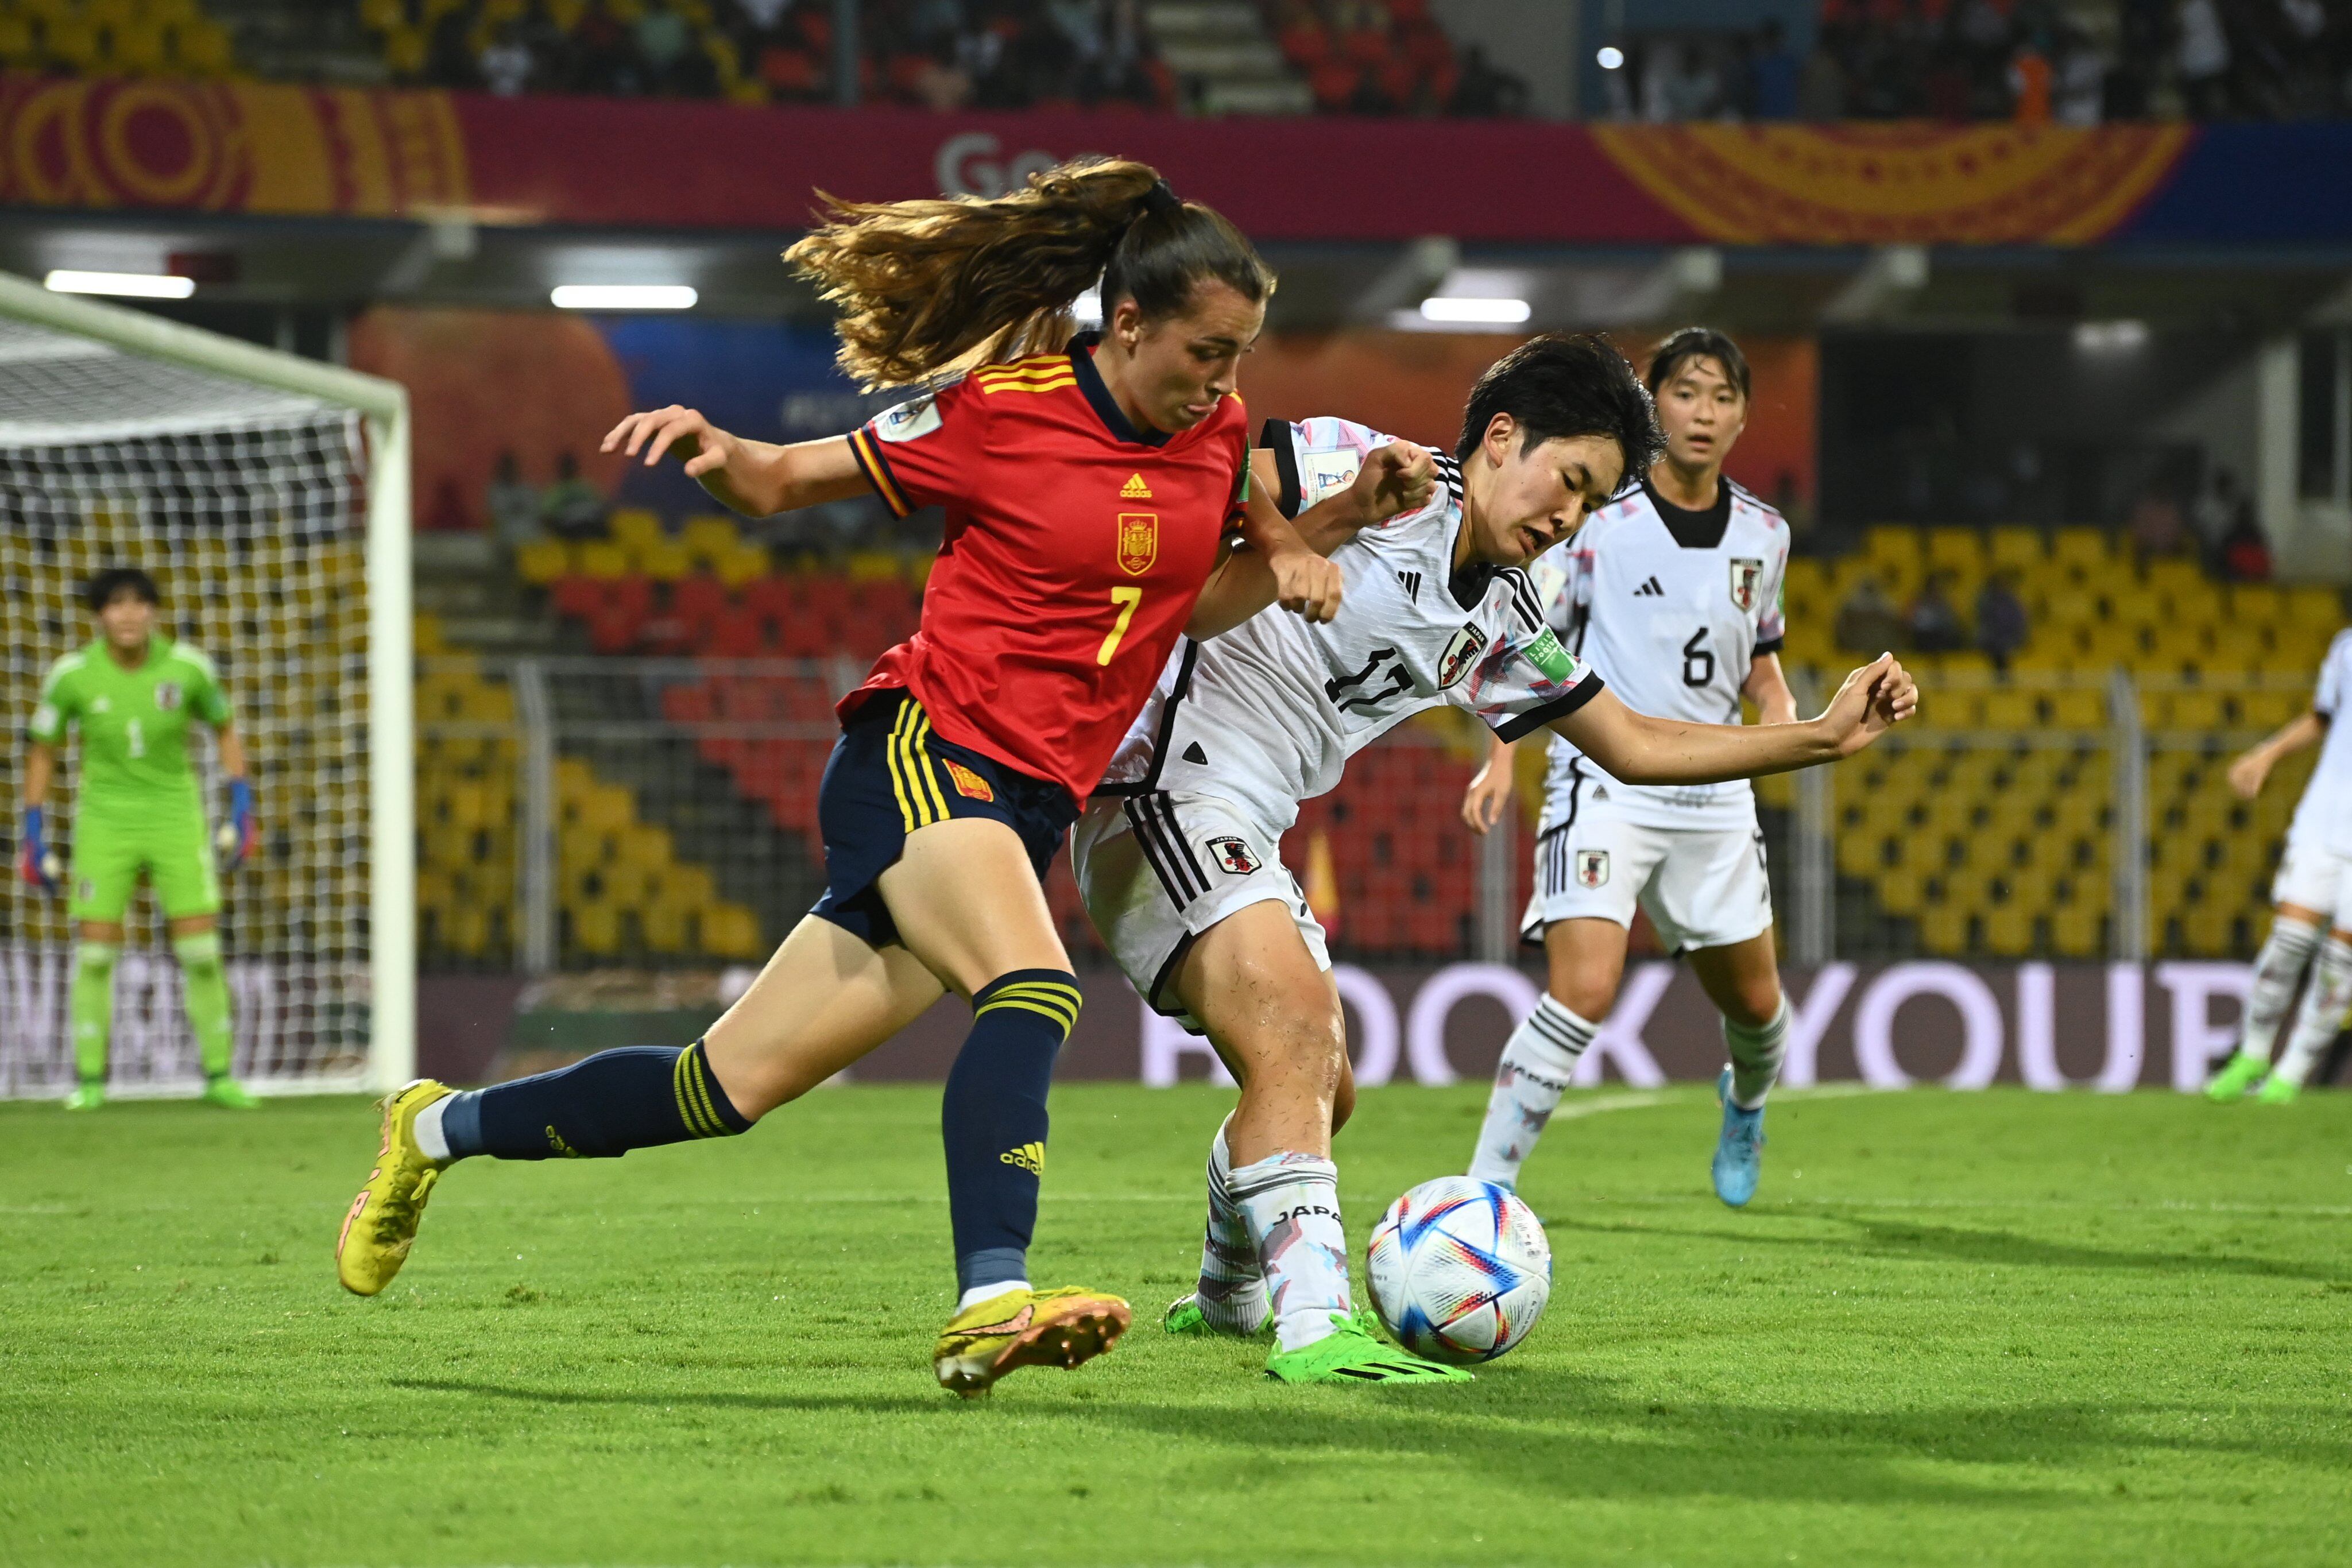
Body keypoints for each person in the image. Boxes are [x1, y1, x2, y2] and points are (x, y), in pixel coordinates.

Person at [331, 158, 1347, 1399]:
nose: (1225, 381)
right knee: (1029, 986)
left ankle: (430, 1128)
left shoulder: (1216, 435)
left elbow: (1182, 602)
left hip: (1022, 805)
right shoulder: (999, 415)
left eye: (1241, 354)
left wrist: (1313, 538)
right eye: (1207, 349)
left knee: (721, 1087)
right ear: (1126, 323)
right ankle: (989, 1302)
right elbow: (781, 479)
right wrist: (715, 449)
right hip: (926, 752)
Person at [1077, 334, 1914, 1383]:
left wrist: (1820, 738)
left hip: (1247, 812)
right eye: (1569, 480)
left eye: (1593, 502)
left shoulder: (1510, 622)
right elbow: (1229, 452)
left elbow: (1637, 743)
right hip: (1158, 780)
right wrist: (1293, 536)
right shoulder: (1378, 469)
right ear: (1502, 437)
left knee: (1322, 1088)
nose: (1569, 516)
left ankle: (1228, 1296)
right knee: (1294, 1028)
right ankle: (1315, 1328)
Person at [1459, 328, 1833, 1208]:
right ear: (1653, 405)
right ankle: (1483, 1191)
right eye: (1687, 393)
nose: (1704, 413)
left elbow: (1760, 656)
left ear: (1742, 415)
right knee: (1584, 988)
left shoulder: (1766, 535)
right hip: (1607, 783)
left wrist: (1779, 711)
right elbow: (1522, 639)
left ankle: (1745, 1102)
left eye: (1723, 397)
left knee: (1759, 1010)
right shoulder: (1595, 524)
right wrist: (1502, 762)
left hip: (1713, 791)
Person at [18, 569, 258, 1112]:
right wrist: (32, 831)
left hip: (176, 816)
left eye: (138, 603)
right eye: (115, 604)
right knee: (97, 953)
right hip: (104, 821)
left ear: (154, 611)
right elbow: (43, 748)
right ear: (98, 615)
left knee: (200, 951)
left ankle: (220, 1076)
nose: (127, 614)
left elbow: (223, 727)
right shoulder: (73, 675)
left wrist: (242, 807)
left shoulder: (188, 668)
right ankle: (89, 1082)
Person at [2204, 624, 2352, 1104]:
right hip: (2324, 821)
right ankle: (2253, 1052)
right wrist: (2266, 754)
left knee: (2339, 963)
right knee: (2286, 946)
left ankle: (2291, 1074)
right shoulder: (2347, 647)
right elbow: (2323, 717)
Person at [1975, 569, 2029, 671]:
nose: (2001, 587)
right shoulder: (1985, 602)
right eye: (1997, 584)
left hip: (2009, 639)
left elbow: (2020, 623)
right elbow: (1983, 623)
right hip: (1992, 640)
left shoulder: (2013, 602)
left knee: (2004, 649)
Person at [1835, 571, 1901, 652]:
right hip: (1855, 646)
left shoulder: (1884, 602)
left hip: (1881, 645)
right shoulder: (1849, 605)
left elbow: (1897, 622)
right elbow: (1841, 629)